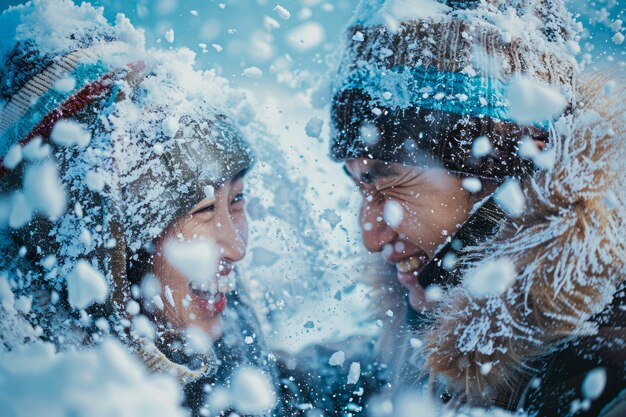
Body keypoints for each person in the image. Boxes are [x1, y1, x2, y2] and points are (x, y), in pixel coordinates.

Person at [329, 0, 624, 415]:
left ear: (510, 162)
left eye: (390, 182)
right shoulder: (432, 323)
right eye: (361, 187)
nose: (370, 236)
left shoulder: (603, 373)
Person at [0, 1, 281, 416]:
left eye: (236, 200)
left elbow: (291, 396)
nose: (237, 248)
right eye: (203, 210)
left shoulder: (212, 328)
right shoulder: (33, 393)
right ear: (108, 249)